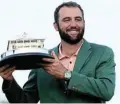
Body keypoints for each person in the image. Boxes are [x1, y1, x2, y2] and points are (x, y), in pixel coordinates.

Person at [0, 1, 116, 103]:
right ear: (56, 26)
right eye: (66, 20)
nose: (74, 24)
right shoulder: (41, 58)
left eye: (78, 19)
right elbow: (26, 101)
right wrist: (9, 81)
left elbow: (107, 90)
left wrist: (66, 74)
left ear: (84, 23)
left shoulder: (103, 53)